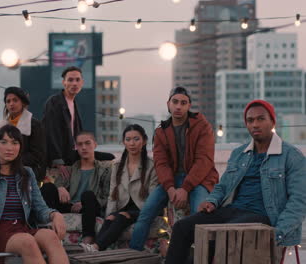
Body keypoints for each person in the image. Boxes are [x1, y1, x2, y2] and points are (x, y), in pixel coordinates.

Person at [165, 100, 306, 264]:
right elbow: (223, 186)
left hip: (264, 217)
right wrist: (212, 201)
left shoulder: (291, 156)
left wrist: (278, 233)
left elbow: (299, 201)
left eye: (261, 119)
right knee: (181, 228)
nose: (255, 124)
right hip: (232, 211)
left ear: (272, 122)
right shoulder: (240, 153)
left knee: (222, 238)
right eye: (250, 120)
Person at [0, 125, 69, 264]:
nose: (9, 148)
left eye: (14, 143)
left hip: (22, 228)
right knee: (27, 242)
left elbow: (40, 209)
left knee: (51, 237)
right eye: (4, 142)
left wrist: (55, 215)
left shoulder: (27, 174)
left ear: (20, 147)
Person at [130, 86, 219, 251]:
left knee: (199, 217)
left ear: (189, 106)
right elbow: (161, 163)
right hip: (171, 179)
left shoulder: (202, 126)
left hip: (200, 179)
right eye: (175, 102)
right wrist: (170, 188)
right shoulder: (161, 132)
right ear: (168, 104)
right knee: (145, 214)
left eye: (183, 103)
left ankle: (199, 257)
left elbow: (204, 160)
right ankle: (133, 255)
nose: (178, 106)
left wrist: (185, 187)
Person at [80, 124, 158, 252]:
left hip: (143, 209)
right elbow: (112, 195)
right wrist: (110, 214)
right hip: (123, 206)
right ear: (123, 142)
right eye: (128, 139)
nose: (132, 143)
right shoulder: (117, 165)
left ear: (144, 141)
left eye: (136, 139)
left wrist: (132, 213)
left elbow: (152, 198)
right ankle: (95, 250)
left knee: (122, 216)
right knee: (111, 218)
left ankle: (95, 248)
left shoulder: (151, 166)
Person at [40, 131, 112, 244]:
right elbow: (55, 189)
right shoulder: (71, 169)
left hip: (91, 206)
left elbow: (106, 196)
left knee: (88, 195)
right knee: (47, 187)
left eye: (88, 143)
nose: (84, 147)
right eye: (80, 144)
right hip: (70, 205)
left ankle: (88, 239)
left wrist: (83, 203)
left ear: (95, 145)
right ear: (76, 147)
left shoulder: (104, 169)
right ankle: (46, 230)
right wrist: (59, 188)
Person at [42, 66, 114, 179]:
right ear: (63, 83)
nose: (74, 83)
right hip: (62, 156)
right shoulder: (54, 102)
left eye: (77, 80)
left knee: (109, 157)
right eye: (70, 80)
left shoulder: (74, 104)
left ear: (82, 83)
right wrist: (58, 161)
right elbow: (50, 132)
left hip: (74, 153)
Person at [0, 86, 46, 182]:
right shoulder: (2, 126)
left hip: (28, 175)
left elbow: (38, 155)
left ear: (23, 102)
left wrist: (11, 161)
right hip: (4, 173)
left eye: (15, 100)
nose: (11, 104)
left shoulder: (34, 125)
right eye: (8, 101)